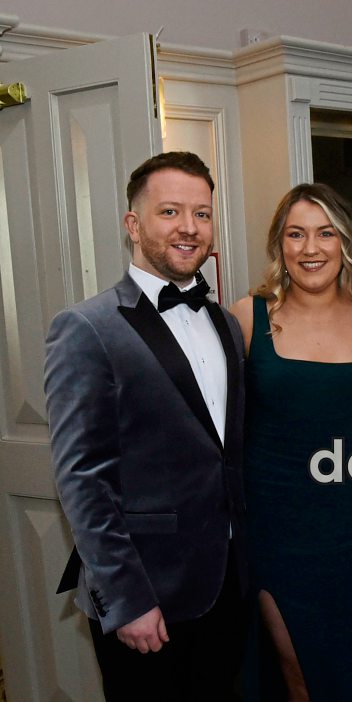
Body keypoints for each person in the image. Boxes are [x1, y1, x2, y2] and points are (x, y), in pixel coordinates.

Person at [45, 151, 247, 701]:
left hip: (226, 581)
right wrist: (127, 599)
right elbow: (81, 479)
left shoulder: (225, 322)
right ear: (133, 225)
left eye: (202, 214)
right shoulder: (86, 327)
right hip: (147, 593)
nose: (189, 227)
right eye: (170, 212)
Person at [230, 183, 352, 701]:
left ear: (345, 242)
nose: (311, 248)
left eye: (325, 233)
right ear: (279, 245)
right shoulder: (248, 318)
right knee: (297, 673)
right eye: (296, 234)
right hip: (275, 527)